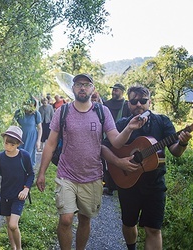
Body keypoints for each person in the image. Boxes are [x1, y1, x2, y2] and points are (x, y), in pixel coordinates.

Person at [36, 73, 145, 250]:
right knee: (66, 219)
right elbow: (50, 144)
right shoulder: (62, 112)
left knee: (85, 219)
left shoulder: (102, 112)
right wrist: (41, 173)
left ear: (92, 89)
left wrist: (129, 128)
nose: (82, 87)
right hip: (66, 175)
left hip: (92, 176)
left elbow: (116, 141)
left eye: (86, 84)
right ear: (73, 88)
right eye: (79, 84)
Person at [101, 85, 191, 250]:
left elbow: (175, 151)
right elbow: (104, 147)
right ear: (128, 104)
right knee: (128, 223)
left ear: (149, 102)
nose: (138, 105)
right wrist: (119, 162)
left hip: (155, 184)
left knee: (153, 229)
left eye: (142, 101)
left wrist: (183, 143)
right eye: (134, 101)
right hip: (128, 183)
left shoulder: (162, 122)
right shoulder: (122, 124)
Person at [0, 126, 35, 250]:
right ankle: (13, 247)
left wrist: (26, 189)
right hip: (5, 195)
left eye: (12, 145)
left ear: (18, 144)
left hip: (18, 196)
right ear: (3, 140)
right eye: (6, 143)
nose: (8, 147)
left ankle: (19, 248)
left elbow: (31, 174)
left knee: (13, 225)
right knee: (9, 225)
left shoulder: (24, 156)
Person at [102, 83, 131, 195]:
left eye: (116, 90)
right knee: (106, 159)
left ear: (122, 92)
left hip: (122, 136)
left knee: (119, 159)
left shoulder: (127, 105)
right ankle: (107, 185)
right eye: (113, 90)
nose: (114, 92)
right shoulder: (106, 104)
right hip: (106, 136)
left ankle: (118, 184)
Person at [14, 97, 42, 167]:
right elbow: (13, 125)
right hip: (20, 138)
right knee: (18, 155)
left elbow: (40, 128)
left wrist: (38, 141)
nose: (30, 107)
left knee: (28, 156)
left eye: (32, 105)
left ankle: (28, 173)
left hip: (31, 138)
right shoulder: (18, 112)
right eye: (29, 105)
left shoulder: (36, 114)